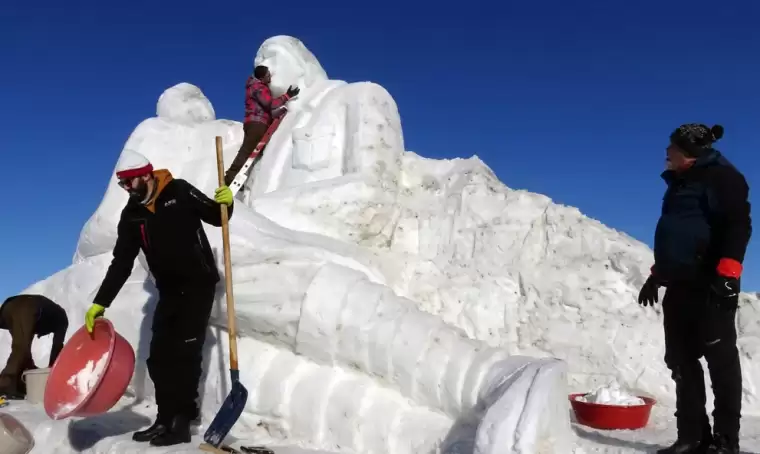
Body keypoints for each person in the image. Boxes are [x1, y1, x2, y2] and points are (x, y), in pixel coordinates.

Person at [85, 149, 234, 447]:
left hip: (197, 284)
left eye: (129, 183)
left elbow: (218, 217)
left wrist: (226, 203)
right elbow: (121, 262)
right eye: (122, 185)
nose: (127, 190)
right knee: (158, 358)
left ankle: (180, 422)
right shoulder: (132, 215)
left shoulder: (178, 191)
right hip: (168, 290)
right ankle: (165, 418)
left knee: (185, 354)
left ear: (146, 175)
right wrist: (101, 302)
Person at [638, 123, 752, 454]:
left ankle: (726, 441)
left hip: (711, 283)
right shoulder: (680, 183)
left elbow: (737, 223)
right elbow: (681, 236)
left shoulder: (722, 177)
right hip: (680, 283)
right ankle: (692, 437)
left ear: (688, 152)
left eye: (671, 148)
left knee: (720, 361)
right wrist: (657, 275)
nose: (666, 153)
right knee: (681, 360)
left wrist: (729, 271)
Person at [223, 64, 300, 186]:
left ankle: (236, 178)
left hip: (256, 122)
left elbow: (265, 108)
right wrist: (287, 96)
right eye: (268, 75)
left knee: (251, 151)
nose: (270, 77)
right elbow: (269, 103)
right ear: (262, 78)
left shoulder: (256, 86)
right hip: (256, 124)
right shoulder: (258, 87)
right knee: (247, 151)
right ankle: (230, 178)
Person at [0, 294, 68, 399]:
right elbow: (57, 347)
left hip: (7, 307)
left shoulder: (45, 316)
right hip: (27, 306)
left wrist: (32, 368)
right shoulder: (62, 319)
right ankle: (5, 385)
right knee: (21, 347)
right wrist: (52, 371)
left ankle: (19, 384)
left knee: (22, 347)